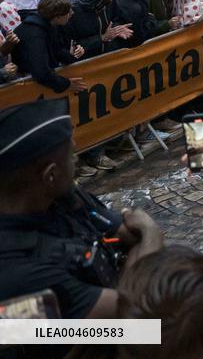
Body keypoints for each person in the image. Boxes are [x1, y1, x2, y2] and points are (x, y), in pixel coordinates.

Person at [0, 99, 164, 318]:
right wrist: (152, 232)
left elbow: (128, 235)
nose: (76, 159)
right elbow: (132, 321)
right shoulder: (17, 272)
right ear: (50, 175)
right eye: (71, 155)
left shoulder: (62, 197)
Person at [11, 0, 86, 93]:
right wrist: (66, 84)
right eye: (68, 12)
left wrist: (72, 56)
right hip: (28, 86)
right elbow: (40, 72)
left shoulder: (48, 25)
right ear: (57, 16)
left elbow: (56, 50)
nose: (71, 13)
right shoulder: (36, 35)